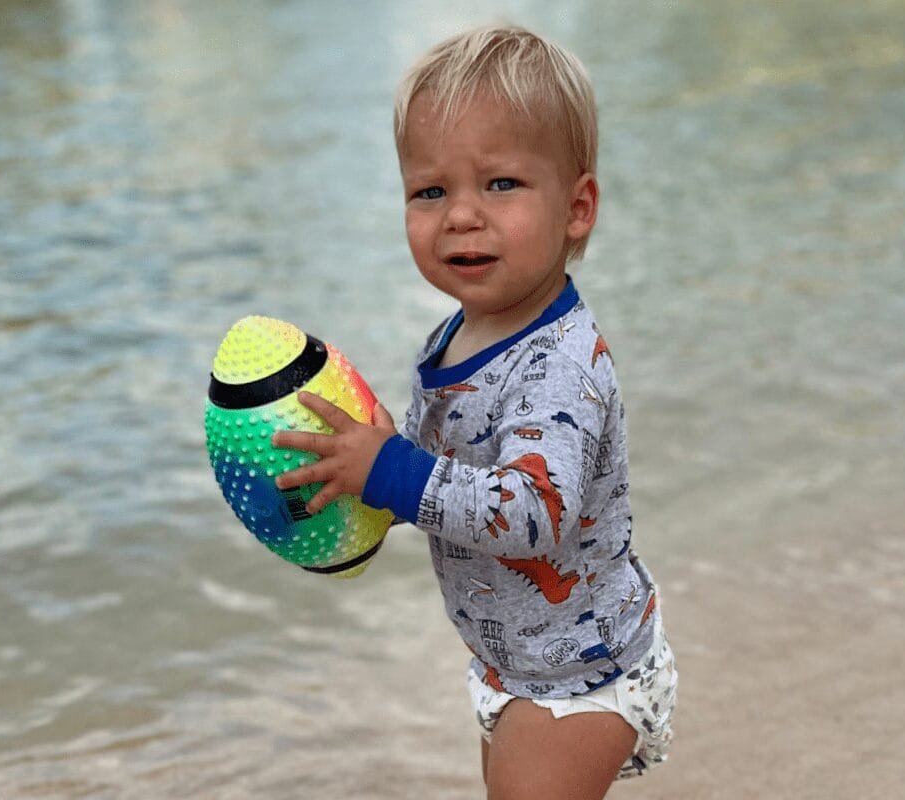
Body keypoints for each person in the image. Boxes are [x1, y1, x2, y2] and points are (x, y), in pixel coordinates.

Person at [273, 24, 676, 800]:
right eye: (431, 190)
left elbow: (532, 511)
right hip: (511, 658)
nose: (460, 215)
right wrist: (365, 484)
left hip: (583, 673)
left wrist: (393, 472)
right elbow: (451, 481)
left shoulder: (558, 366)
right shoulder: (458, 334)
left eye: (500, 184)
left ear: (578, 207)